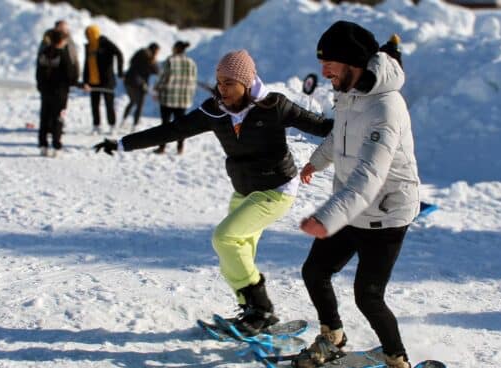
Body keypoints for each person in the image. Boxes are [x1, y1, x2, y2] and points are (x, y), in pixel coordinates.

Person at [93, 50, 333, 335]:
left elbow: (321, 126)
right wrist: (122, 143)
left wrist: (360, 119)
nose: (223, 89)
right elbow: (171, 130)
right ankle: (250, 310)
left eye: (230, 83)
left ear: (246, 83)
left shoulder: (274, 106)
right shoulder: (215, 111)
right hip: (244, 191)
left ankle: (262, 309)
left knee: (225, 237)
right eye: (220, 82)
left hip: (276, 188)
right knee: (232, 251)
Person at [291, 21, 421, 368]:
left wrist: (328, 217)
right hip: (352, 208)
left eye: (330, 62)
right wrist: (317, 160)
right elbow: (339, 134)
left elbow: (370, 175)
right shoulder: (349, 92)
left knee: (368, 295)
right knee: (315, 271)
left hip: (385, 212)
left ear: (353, 62)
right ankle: (333, 337)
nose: (324, 70)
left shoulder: (385, 106)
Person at [36, 29, 78, 157]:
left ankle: (43, 145)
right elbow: (70, 75)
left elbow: (39, 73)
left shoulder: (43, 52)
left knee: (44, 117)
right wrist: (78, 84)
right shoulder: (63, 55)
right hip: (60, 94)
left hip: (46, 92)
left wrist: (41, 87)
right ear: (61, 41)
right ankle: (56, 145)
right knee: (58, 119)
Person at [152, 40, 197, 154]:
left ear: (176, 48)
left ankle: (162, 147)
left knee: (165, 124)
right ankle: (180, 147)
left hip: (168, 98)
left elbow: (163, 78)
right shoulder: (191, 62)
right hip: (183, 100)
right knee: (181, 124)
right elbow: (193, 81)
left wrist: (156, 89)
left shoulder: (170, 61)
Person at [82, 24, 124, 134]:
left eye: (88, 34)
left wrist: (119, 71)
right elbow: (86, 65)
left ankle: (112, 125)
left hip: (107, 80)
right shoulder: (88, 46)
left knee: (109, 104)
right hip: (93, 81)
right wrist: (85, 81)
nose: (87, 36)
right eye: (86, 34)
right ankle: (96, 126)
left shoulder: (105, 43)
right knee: (94, 104)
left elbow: (119, 53)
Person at [121, 43, 160, 131]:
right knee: (140, 104)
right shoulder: (150, 58)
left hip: (128, 80)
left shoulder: (139, 53)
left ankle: (123, 121)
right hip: (139, 83)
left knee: (132, 101)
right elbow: (156, 71)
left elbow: (131, 62)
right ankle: (135, 125)